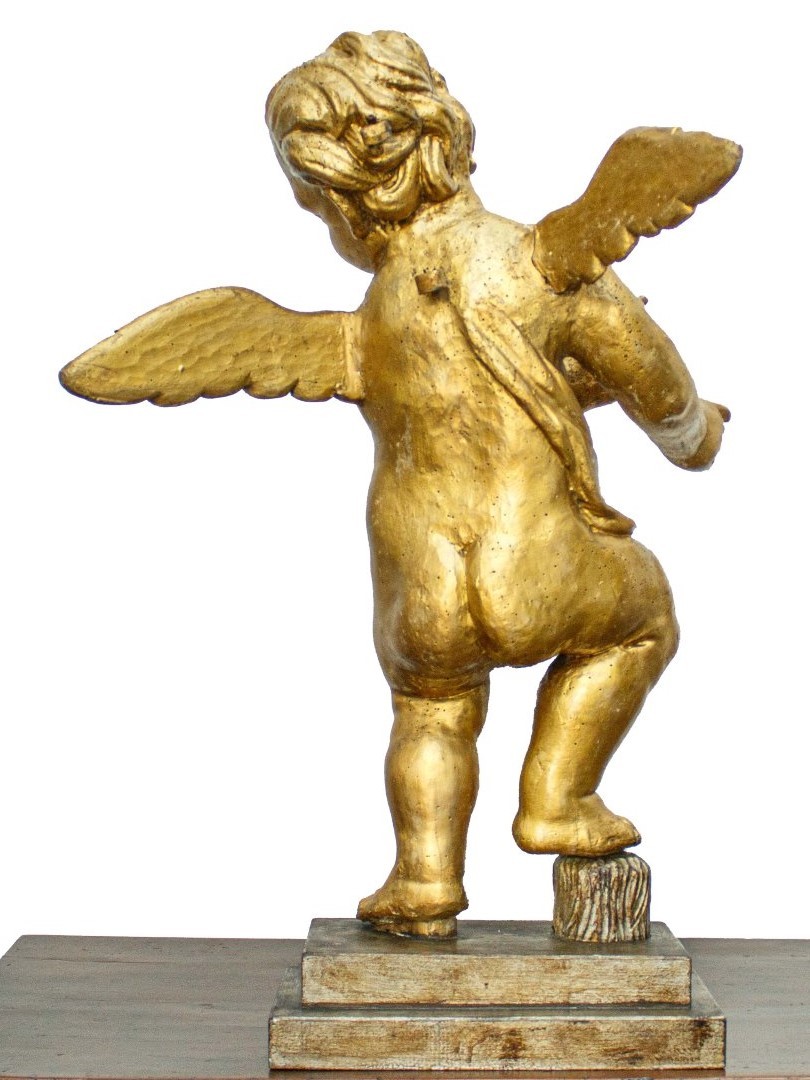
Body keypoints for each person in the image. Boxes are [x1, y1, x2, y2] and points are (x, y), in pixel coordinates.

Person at [63, 30, 738, 938]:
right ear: (442, 136)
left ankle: (424, 879)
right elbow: (653, 376)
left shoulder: (367, 321)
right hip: (534, 563)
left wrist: (581, 390)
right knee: (643, 612)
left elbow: (473, 390)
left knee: (431, 708)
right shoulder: (541, 260)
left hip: (419, 589)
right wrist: (696, 434)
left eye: (322, 208)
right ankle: (558, 796)